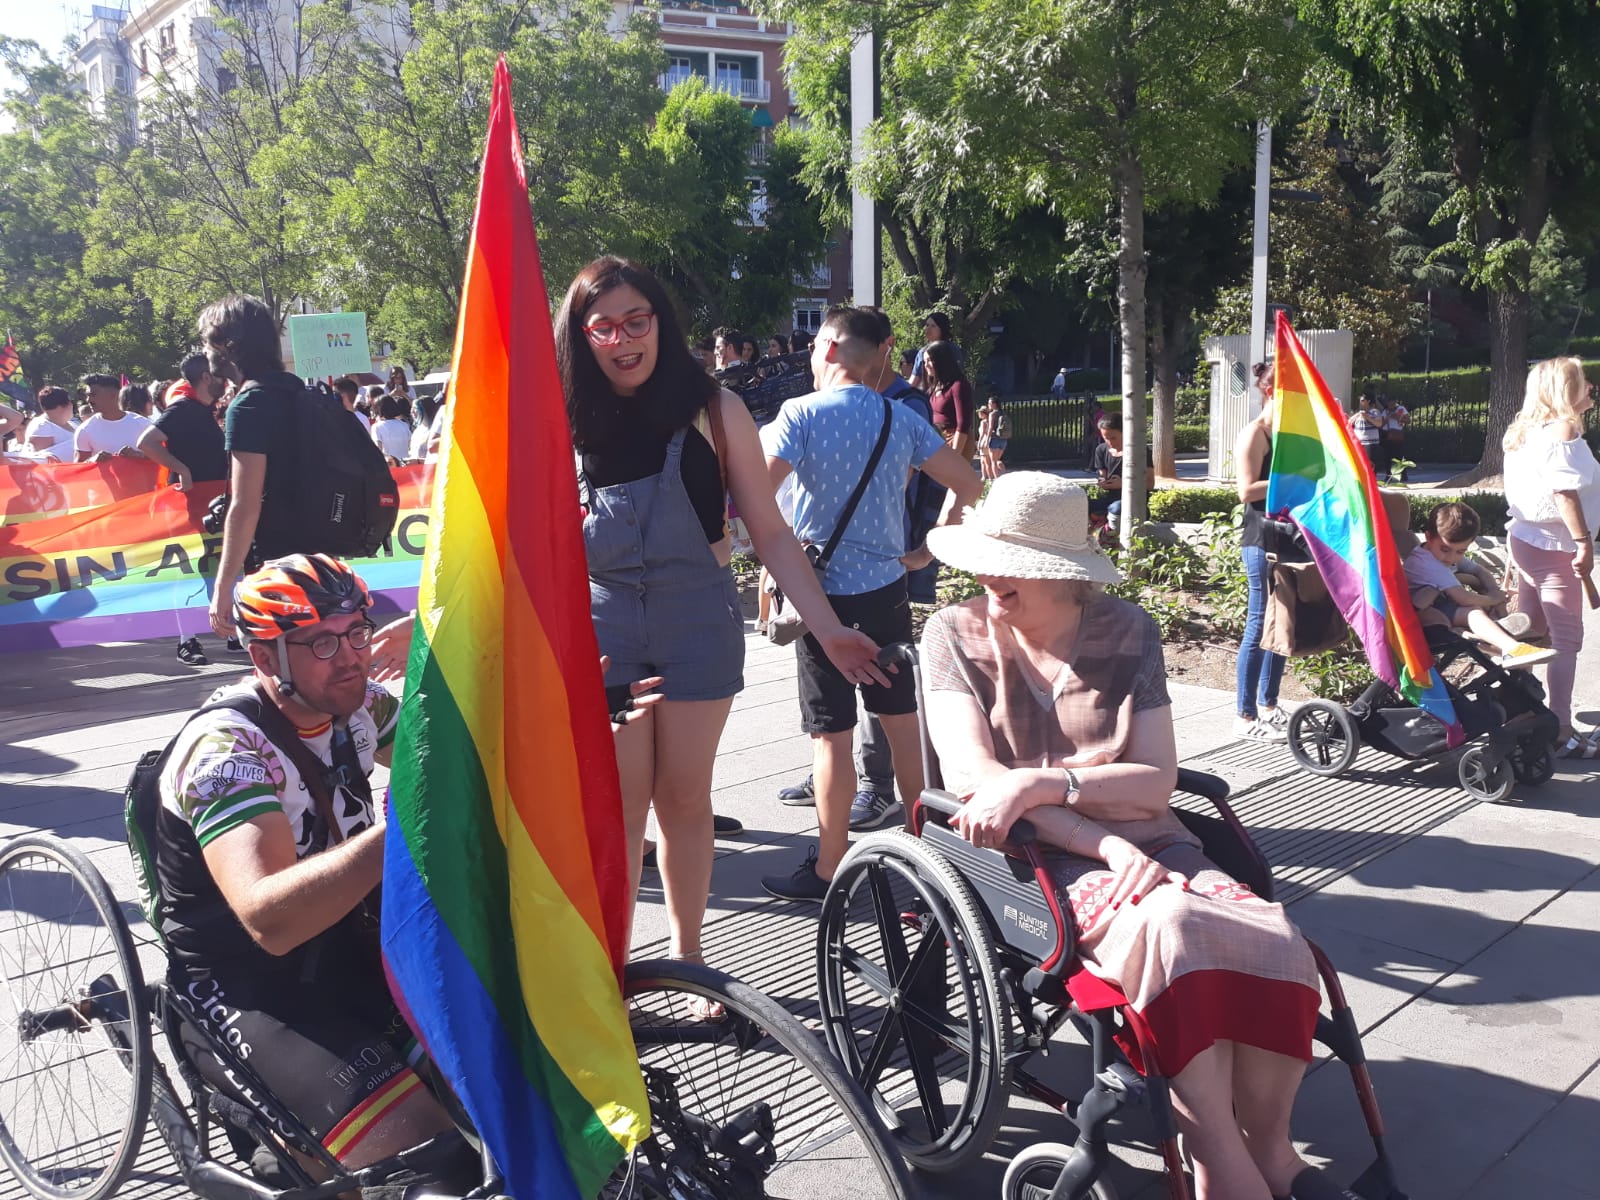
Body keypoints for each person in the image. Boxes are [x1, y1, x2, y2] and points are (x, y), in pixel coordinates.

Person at [921, 472, 1345, 1200]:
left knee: (1274, 936)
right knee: (1175, 927)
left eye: (1011, 564)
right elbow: (971, 776)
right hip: (1029, 860)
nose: (989, 575)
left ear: (1062, 577)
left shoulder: (1128, 631)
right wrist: (1099, 837)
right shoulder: (954, 633)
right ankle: (1216, 1152)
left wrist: (1042, 782)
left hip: (1145, 835)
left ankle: (1271, 1150)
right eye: (986, 557)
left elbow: (1154, 779)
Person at [557, 257, 888, 993]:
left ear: (659, 322)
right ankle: (605, 967)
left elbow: (770, 532)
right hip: (602, 628)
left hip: (697, 622)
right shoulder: (561, 416)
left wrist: (827, 626)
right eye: (602, 326)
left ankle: (688, 954)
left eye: (635, 320)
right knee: (616, 805)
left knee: (683, 795)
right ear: (583, 335)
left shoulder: (714, 407)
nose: (621, 338)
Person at [147, 555, 477, 1187]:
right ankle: (282, 1150)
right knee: (438, 1167)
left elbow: (464, 761)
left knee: (512, 1094)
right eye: (322, 641)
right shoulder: (226, 753)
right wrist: (405, 832)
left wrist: (567, 713)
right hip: (250, 984)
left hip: (353, 949)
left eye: (357, 631)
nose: (351, 654)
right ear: (267, 658)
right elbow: (268, 918)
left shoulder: (358, 709)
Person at [760, 305, 982, 902]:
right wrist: (927, 549)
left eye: (812, 347)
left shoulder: (798, 416)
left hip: (818, 599)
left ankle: (832, 867)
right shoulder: (899, 417)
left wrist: (768, 557)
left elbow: (758, 495)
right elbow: (969, 483)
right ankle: (929, 851)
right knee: (901, 722)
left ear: (830, 348)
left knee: (829, 735)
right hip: (885, 589)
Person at [1502, 357, 1600, 756]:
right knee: (1564, 641)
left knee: (1529, 634)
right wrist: (1584, 542)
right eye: (1583, 380)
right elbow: (1564, 492)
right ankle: (1560, 731)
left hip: (1528, 540)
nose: (1591, 385)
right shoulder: (1564, 430)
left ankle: (1518, 714)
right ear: (1566, 389)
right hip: (1554, 545)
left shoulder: (1525, 432)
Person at [203, 294, 311, 641]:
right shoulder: (298, 391)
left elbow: (245, 505)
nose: (204, 352)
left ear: (226, 344)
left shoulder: (249, 405)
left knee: (279, 666)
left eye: (206, 341)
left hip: (274, 567)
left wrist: (222, 588)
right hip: (317, 558)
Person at [1404, 502, 1555, 669]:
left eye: (1460, 551)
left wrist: (1493, 591)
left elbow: (1479, 571)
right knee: (1473, 612)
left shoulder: (1440, 554)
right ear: (1428, 537)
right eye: (1445, 549)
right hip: (1426, 612)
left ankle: (1505, 633)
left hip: (1441, 604)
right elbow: (1464, 598)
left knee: (1481, 603)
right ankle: (1511, 646)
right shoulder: (1428, 563)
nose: (1451, 558)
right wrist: (1492, 599)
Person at [1232, 362, 1288, 742]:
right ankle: (1245, 715)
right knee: (1258, 623)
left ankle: (1269, 704)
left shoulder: (1289, 436)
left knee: (1283, 624)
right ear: (1270, 391)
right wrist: (1291, 479)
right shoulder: (1255, 434)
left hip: (1287, 540)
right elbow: (1246, 490)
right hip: (1260, 541)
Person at [1088, 412, 1154, 525]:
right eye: (1106, 438)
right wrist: (1103, 482)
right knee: (1081, 504)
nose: (1110, 442)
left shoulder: (1140, 451)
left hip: (1134, 503)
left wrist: (1124, 484)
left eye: (1113, 438)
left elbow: (1150, 484)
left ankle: (1107, 536)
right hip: (1109, 501)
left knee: (1116, 508)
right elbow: (1102, 475)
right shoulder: (1101, 450)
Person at [74, 373, 151, 461]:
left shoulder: (143, 424)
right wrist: (92, 461)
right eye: (88, 395)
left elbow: (163, 460)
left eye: (93, 394)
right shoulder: (85, 430)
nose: (89, 400)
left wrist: (139, 455)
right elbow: (78, 467)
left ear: (114, 394)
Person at [925, 340, 976, 461]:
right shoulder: (935, 386)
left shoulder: (958, 385)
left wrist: (954, 457)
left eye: (930, 360)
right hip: (938, 440)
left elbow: (963, 424)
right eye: (925, 361)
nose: (926, 364)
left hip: (955, 440)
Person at [25, 387, 77, 460]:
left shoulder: (74, 424)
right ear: (62, 406)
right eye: (70, 401)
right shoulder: (41, 426)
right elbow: (41, 460)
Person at [910, 311, 960, 382]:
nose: (928, 329)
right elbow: (913, 381)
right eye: (927, 325)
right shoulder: (923, 352)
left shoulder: (952, 349)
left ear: (942, 328)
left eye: (933, 326)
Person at [370, 394, 412, 465]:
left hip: (390, 465)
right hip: (405, 464)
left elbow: (378, 450)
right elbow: (410, 446)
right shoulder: (404, 425)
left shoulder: (377, 427)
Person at [1348, 388, 1383, 465]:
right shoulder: (1358, 413)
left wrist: (1367, 417)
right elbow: (1348, 423)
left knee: (1369, 465)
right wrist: (1357, 415)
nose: (1360, 402)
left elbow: (1379, 423)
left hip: (1369, 443)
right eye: (1360, 401)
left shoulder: (1374, 412)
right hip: (1358, 443)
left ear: (1368, 401)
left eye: (1363, 400)